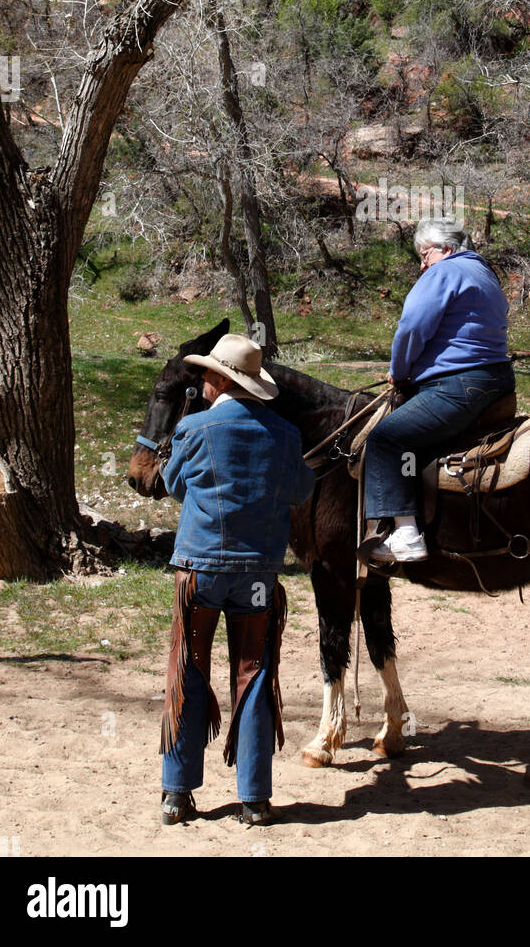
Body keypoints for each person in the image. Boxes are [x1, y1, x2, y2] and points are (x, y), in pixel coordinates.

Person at [159, 333, 315, 826]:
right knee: (254, 675)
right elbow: (300, 489)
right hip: (259, 574)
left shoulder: (196, 428)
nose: (202, 382)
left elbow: (172, 484)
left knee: (189, 669)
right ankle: (254, 798)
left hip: (201, 570)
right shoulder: (286, 434)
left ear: (222, 379)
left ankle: (178, 794)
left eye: (207, 374)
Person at [361, 217, 515, 564]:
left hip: (457, 386)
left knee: (387, 438)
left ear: (445, 250)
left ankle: (406, 533)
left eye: (425, 255)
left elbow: (412, 327)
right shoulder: (486, 275)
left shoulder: (443, 272)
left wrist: (399, 372)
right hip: (498, 381)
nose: (422, 264)